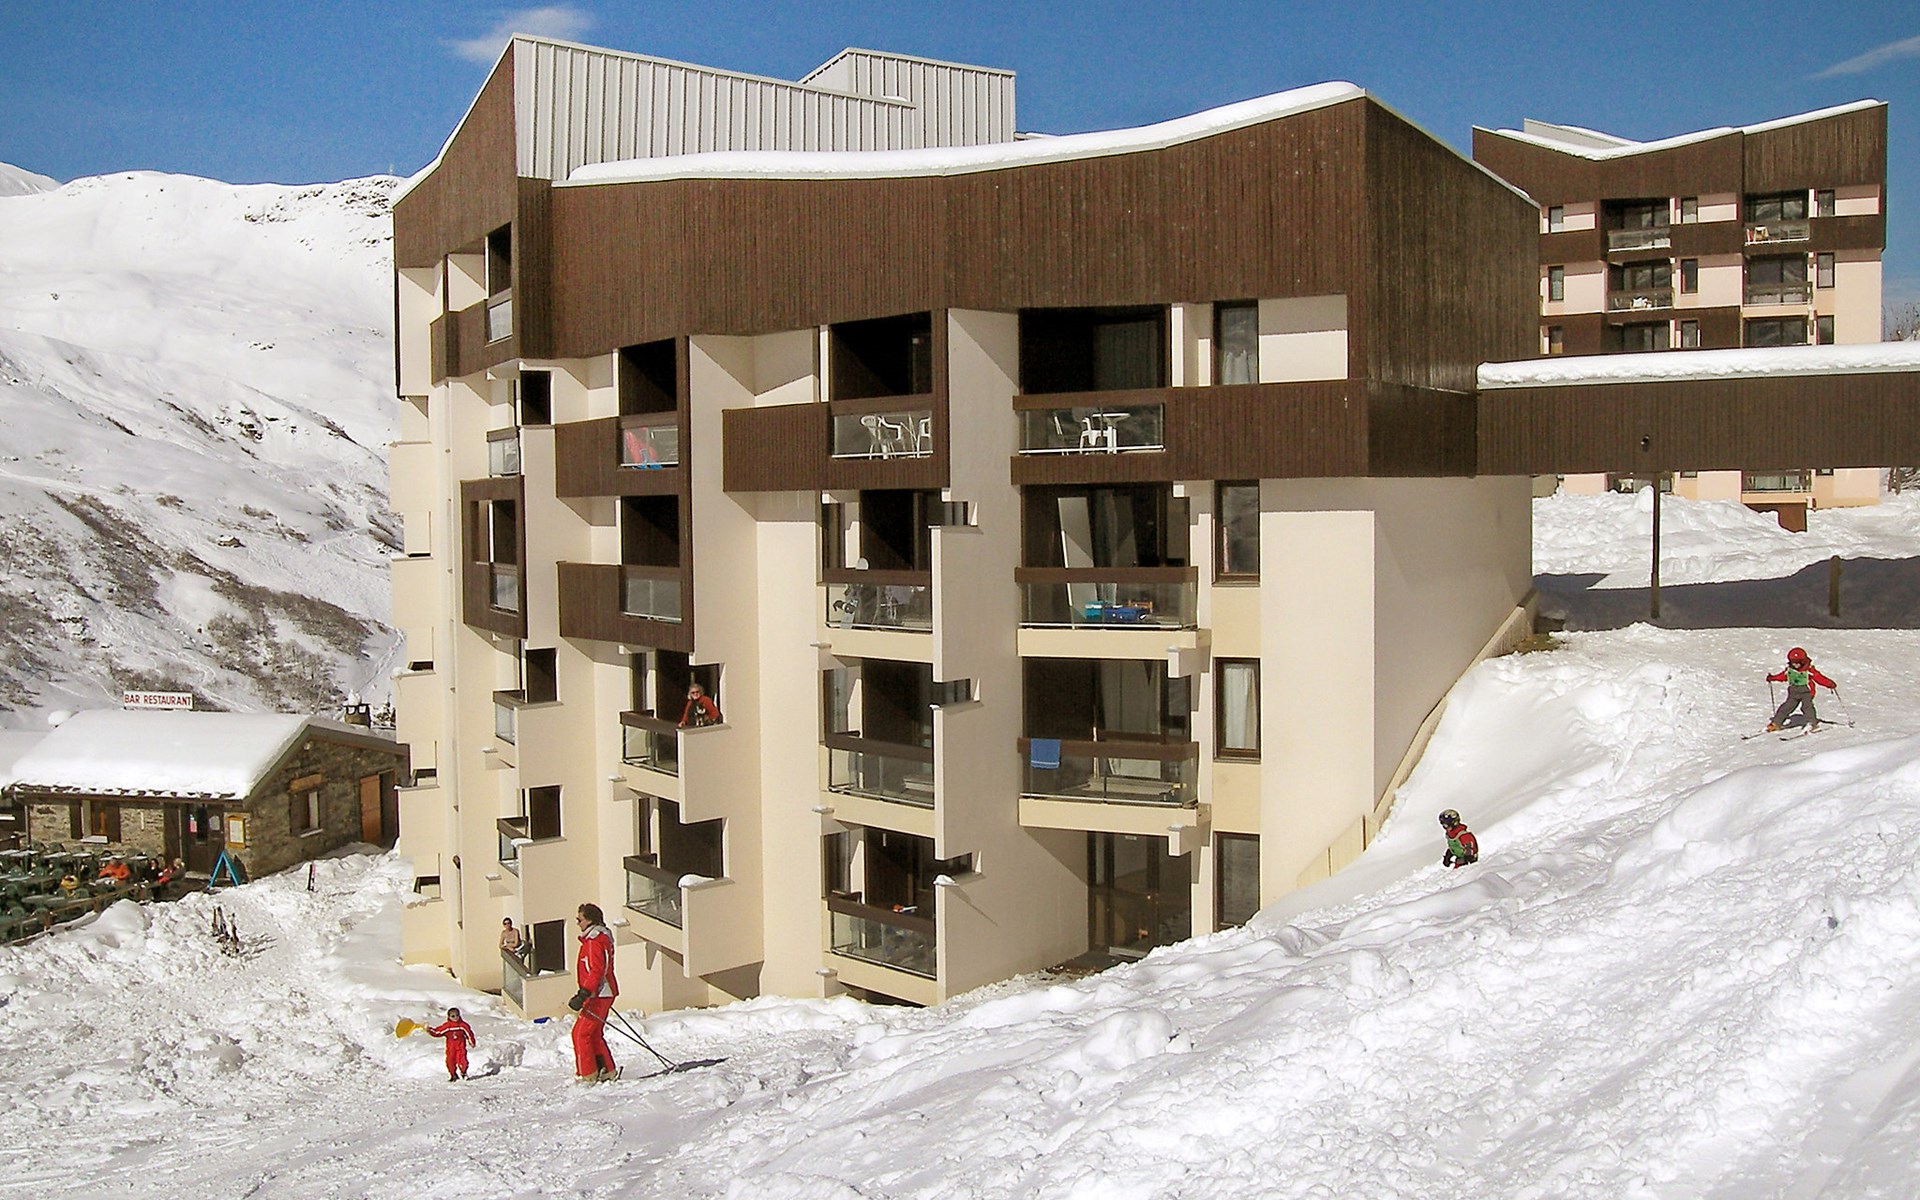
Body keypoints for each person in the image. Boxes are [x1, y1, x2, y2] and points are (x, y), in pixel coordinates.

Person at [569, 902, 619, 1082]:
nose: (578, 923)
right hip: (602, 992)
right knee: (593, 1034)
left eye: (579, 919)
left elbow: (596, 970)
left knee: (581, 1034)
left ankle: (588, 1074)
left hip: (598, 994)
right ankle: (606, 1070)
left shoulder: (594, 941)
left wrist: (583, 993)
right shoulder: (599, 938)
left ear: (590, 920)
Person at [1767, 646, 1837, 731]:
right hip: (1793, 692)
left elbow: (1819, 678)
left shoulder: (1809, 670)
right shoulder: (1790, 670)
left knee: (1807, 707)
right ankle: (1776, 723)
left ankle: (1812, 723)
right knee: (1786, 707)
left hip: (1806, 692)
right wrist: (1773, 678)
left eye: (1798, 663)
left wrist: (1829, 683)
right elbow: (1782, 676)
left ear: (1803, 661)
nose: (1795, 665)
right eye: (1793, 663)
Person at [427, 1006, 476, 1082]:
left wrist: (471, 1042)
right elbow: (438, 1032)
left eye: (457, 1015)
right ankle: (453, 1075)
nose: (455, 1018)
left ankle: (463, 1072)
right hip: (451, 1047)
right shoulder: (447, 1026)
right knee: (450, 1061)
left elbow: (469, 1034)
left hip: (460, 1046)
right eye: (453, 1016)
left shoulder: (463, 1025)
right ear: (449, 1017)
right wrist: (429, 1030)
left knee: (462, 1060)